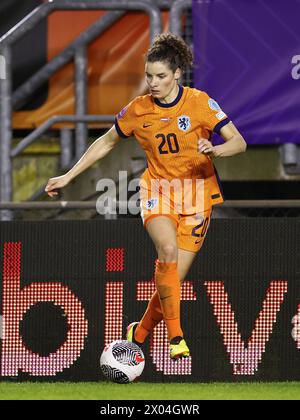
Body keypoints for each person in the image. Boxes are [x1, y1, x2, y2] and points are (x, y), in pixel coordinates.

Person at [45, 33, 247, 360]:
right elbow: (106, 142)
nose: (153, 82)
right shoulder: (138, 110)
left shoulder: (200, 103)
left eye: (161, 76)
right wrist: (68, 176)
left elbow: (239, 142)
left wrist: (217, 149)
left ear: (177, 74)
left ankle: (139, 331)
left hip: (197, 195)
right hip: (158, 191)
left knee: (171, 282)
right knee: (166, 251)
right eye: (149, 75)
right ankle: (176, 337)